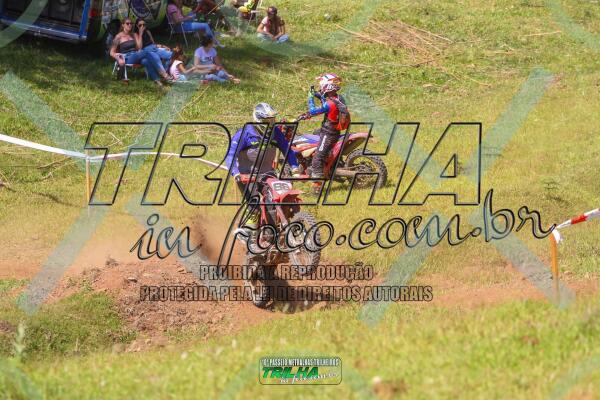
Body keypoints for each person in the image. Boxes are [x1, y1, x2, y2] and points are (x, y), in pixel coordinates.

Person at [224, 103, 300, 232]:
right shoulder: (245, 133)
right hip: (247, 175)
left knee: (276, 200)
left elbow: (286, 149)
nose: (271, 124)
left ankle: (272, 231)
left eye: (273, 120)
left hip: (268, 173)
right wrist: (236, 173)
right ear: (258, 120)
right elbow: (230, 154)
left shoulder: (275, 132)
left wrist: (294, 167)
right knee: (254, 206)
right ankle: (247, 232)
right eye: (267, 121)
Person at [305, 73, 351, 193]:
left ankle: (317, 186)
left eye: (322, 85)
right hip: (334, 130)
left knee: (317, 158)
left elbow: (313, 111)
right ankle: (329, 159)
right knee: (315, 133)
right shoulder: (338, 98)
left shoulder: (329, 104)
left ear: (327, 86)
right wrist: (316, 93)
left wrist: (310, 98)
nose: (321, 87)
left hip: (329, 133)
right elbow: (324, 98)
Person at [109, 18, 172, 85]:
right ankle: (163, 74)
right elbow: (111, 52)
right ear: (123, 25)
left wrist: (140, 34)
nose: (130, 25)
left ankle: (157, 81)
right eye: (127, 23)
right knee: (147, 52)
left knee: (146, 61)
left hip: (136, 55)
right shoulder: (119, 37)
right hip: (127, 58)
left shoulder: (134, 35)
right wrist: (118, 59)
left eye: (131, 23)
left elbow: (139, 47)